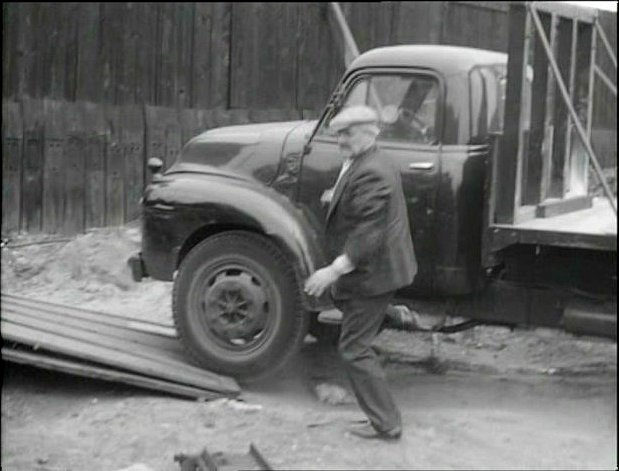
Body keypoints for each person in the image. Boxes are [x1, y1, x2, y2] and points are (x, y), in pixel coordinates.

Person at [304, 105, 417, 441]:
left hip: (372, 275)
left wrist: (333, 270)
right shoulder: (366, 161)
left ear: (370, 132)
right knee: (349, 321)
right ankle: (393, 314)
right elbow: (359, 203)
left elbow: (369, 233)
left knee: (354, 350)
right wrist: (334, 198)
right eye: (338, 133)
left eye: (348, 133)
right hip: (376, 273)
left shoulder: (372, 172)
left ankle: (387, 423)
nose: (340, 140)